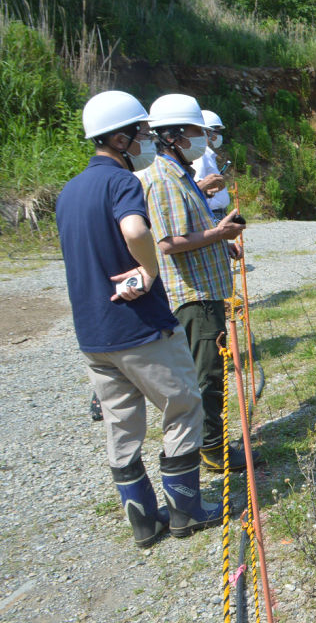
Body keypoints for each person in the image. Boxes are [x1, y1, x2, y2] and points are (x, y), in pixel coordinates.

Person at [57, 90, 223, 547]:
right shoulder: (121, 182)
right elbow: (134, 229)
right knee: (183, 404)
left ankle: (145, 523)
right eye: (141, 133)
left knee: (122, 424)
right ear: (119, 138)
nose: (146, 140)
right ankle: (187, 510)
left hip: (93, 335)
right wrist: (148, 271)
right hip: (139, 328)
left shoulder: (68, 192)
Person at [136, 93, 260, 473]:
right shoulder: (164, 179)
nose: (202, 138)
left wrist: (220, 243)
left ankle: (211, 441)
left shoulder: (182, 175)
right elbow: (169, 242)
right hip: (193, 295)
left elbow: (190, 230)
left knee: (212, 371)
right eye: (195, 131)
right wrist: (219, 236)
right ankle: (212, 448)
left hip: (205, 288)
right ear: (173, 135)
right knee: (208, 375)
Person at [192, 110, 230, 221]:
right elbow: (197, 184)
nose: (219, 136)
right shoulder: (201, 154)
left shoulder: (207, 154)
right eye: (216, 131)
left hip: (217, 213)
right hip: (211, 214)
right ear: (206, 132)